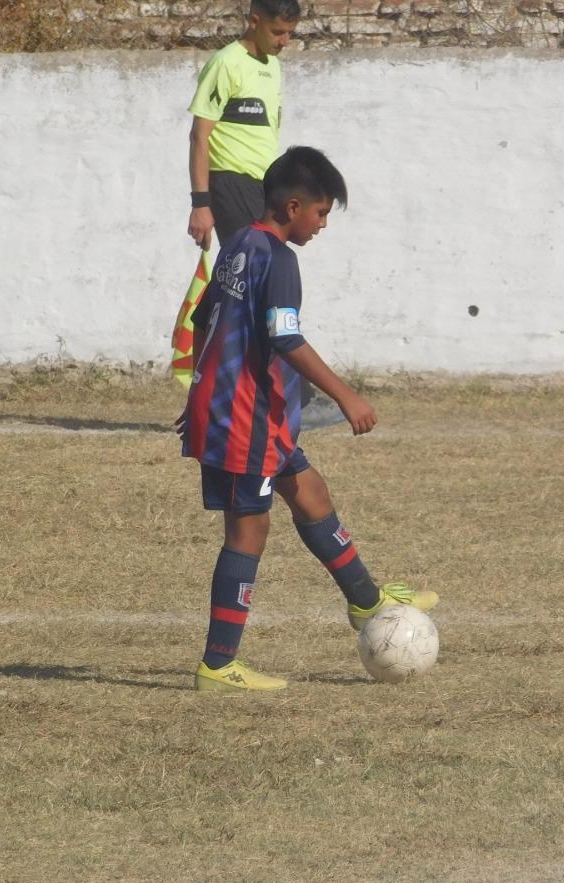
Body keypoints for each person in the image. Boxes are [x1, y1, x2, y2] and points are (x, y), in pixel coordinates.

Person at [178, 146, 438, 692]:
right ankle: (219, 665)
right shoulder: (279, 259)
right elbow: (285, 337)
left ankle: (366, 603)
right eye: (320, 213)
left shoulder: (240, 246)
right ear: (293, 206)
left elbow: (204, 319)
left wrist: (200, 390)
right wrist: (347, 396)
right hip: (246, 418)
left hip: (248, 413)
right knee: (249, 530)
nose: (322, 225)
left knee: (311, 494)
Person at [186, 0, 300, 251]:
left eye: (290, 33)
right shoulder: (226, 63)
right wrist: (201, 204)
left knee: (261, 270)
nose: (285, 42)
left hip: (263, 185)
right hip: (230, 181)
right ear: (254, 21)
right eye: (278, 32)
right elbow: (199, 136)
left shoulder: (273, 65)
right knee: (254, 264)